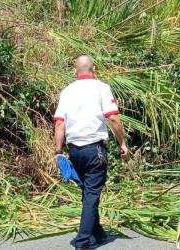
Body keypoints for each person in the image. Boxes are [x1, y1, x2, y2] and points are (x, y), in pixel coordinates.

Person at [54, 54, 128, 250]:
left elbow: (60, 123)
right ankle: (82, 241)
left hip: (75, 152)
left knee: (88, 194)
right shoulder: (101, 88)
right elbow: (112, 118)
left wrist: (58, 151)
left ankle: (99, 233)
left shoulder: (66, 91)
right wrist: (122, 143)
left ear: (74, 71)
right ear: (93, 69)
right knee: (92, 195)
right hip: (95, 150)